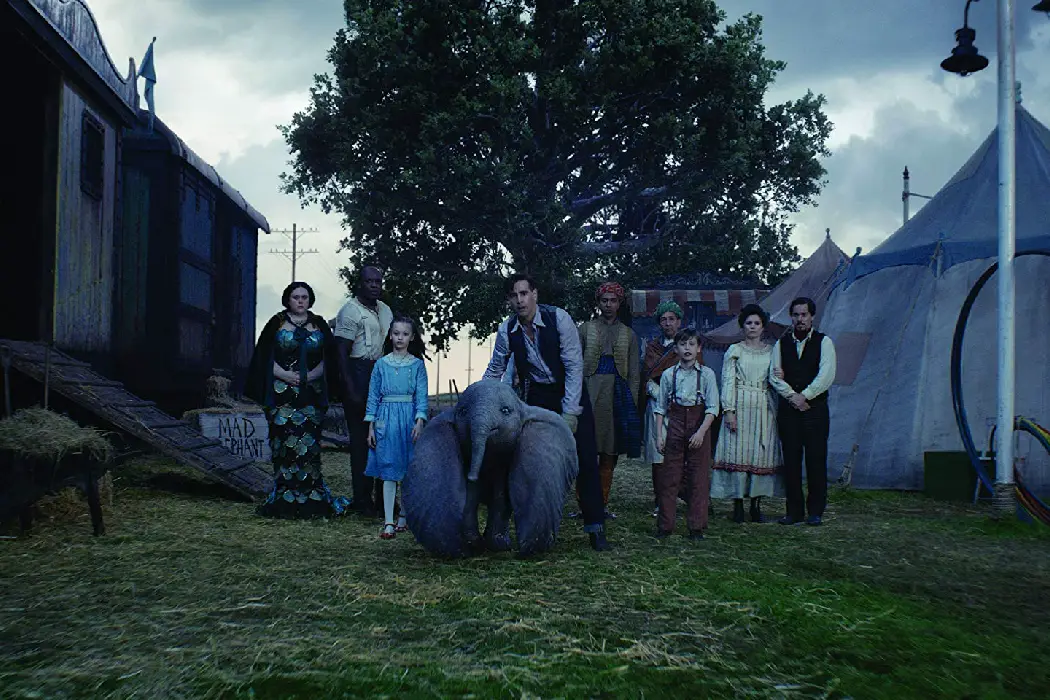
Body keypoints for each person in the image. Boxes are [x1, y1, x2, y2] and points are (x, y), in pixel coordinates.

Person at [482, 273, 610, 551]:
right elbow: (495, 369)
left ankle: (596, 528)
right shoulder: (507, 330)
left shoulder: (559, 319)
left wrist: (571, 412)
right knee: (532, 462)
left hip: (570, 392)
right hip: (537, 396)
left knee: (585, 459)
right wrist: (481, 400)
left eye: (524, 293)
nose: (520, 300)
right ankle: (535, 530)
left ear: (535, 294)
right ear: (509, 300)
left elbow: (574, 367)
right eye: (514, 296)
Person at [245, 282, 350, 518]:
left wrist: (311, 376)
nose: (300, 301)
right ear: (288, 300)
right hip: (282, 394)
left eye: (304, 297)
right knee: (284, 444)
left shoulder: (319, 324)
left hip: (311, 394)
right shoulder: (276, 323)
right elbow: (263, 355)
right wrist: (285, 375)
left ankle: (311, 498)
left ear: (310, 299)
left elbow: (329, 358)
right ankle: (285, 499)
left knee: (309, 447)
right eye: (295, 297)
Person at [711, 304, 783, 523]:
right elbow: (727, 381)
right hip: (740, 404)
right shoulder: (735, 350)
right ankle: (738, 505)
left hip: (763, 406)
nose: (752, 327)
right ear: (743, 326)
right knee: (738, 453)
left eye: (757, 323)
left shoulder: (772, 351)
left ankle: (756, 505)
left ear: (763, 327)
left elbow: (775, 380)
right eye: (749, 323)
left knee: (760, 454)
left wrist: (782, 374)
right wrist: (729, 411)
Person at [769, 297, 836, 526]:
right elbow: (774, 377)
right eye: (796, 315)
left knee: (816, 460)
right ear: (791, 317)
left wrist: (805, 396)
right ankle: (794, 511)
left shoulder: (824, 342)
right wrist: (793, 397)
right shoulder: (781, 344)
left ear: (812, 316)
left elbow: (826, 376)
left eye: (804, 315)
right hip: (789, 412)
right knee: (791, 462)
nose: (800, 319)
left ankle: (815, 511)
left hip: (814, 410)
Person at [333, 265, 394, 516]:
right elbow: (340, 355)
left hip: (382, 374)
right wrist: (351, 391)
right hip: (357, 373)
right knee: (361, 441)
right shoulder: (350, 311)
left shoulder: (386, 310)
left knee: (385, 438)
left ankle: (384, 500)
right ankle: (362, 500)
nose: (374, 286)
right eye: (369, 281)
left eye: (378, 281)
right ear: (360, 283)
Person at [578, 281, 641, 518]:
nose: (608, 305)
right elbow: (574, 366)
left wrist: (631, 403)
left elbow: (634, 373)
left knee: (609, 452)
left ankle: (602, 504)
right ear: (598, 302)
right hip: (590, 393)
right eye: (604, 300)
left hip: (617, 396)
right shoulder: (585, 329)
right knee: (585, 450)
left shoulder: (629, 334)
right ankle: (584, 504)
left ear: (619, 303)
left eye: (613, 300)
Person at [365, 315, 429, 539]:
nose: (400, 338)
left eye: (405, 334)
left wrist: (420, 421)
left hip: (408, 419)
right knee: (389, 467)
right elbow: (373, 396)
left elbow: (421, 395)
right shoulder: (381, 365)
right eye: (396, 333)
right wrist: (371, 426)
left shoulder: (417, 365)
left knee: (408, 469)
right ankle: (389, 522)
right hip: (386, 419)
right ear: (390, 335)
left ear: (412, 338)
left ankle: (404, 515)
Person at [654, 327, 719, 540]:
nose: (687, 348)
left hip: (699, 426)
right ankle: (665, 526)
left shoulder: (707, 375)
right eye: (683, 344)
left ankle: (696, 527)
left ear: (699, 348)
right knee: (669, 477)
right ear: (676, 349)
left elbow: (713, 408)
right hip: (675, 426)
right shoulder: (668, 375)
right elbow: (660, 408)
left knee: (698, 478)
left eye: (692, 344)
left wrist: (701, 433)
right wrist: (660, 436)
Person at [640, 301, 684, 516]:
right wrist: (660, 395)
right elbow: (647, 378)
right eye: (663, 320)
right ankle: (660, 501)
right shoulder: (652, 348)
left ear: (679, 322)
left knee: (679, 456)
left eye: (671, 319)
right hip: (656, 405)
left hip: (682, 407)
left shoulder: (688, 345)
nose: (668, 323)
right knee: (658, 455)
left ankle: (683, 496)